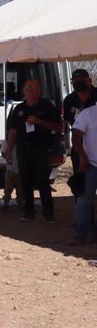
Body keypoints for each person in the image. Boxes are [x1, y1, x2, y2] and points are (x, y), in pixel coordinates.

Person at [5, 79, 62, 223]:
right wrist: (9, 151)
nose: (30, 89)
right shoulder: (19, 109)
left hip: (40, 149)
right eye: (28, 87)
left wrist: (40, 122)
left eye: (34, 87)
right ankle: (28, 212)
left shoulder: (47, 106)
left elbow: (58, 127)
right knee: (25, 181)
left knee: (43, 181)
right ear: (23, 91)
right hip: (22, 149)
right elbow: (12, 131)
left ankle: (48, 214)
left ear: (40, 90)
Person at [64, 69, 96, 190]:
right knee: (81, 186)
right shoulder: (69, 100)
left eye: (81, 80)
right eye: (75, 81)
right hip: (79, 145)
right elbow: (68, 121)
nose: (78, 82)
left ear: (89, 80)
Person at [71, 103, 97, 245]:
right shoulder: (88, 113)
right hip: (90, 164)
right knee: (84, 200)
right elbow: (75, 136)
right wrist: (82, 157)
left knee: (84, 200)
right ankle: (80, 234)